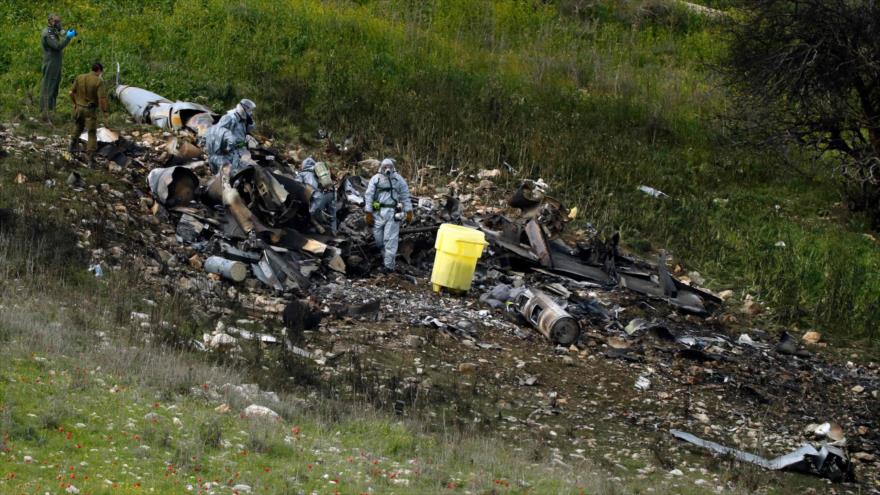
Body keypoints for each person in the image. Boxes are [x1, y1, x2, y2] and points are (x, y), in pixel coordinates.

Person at [364, 158, 413, 273]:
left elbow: (405, 196)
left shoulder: (398, 180)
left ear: (393, 168)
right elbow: (369, 196)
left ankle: (389, 267)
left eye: (389, 167)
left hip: (392, 213)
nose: (387, 169)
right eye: (385, 167)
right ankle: (385, 260)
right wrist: (368, 212)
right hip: (378, 213)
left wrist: (409, 211)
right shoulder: (375, 179)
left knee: (390, 240)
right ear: (381, 167)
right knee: (379, 240)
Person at [69, 61, 108, 164]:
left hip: (79, 108)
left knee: (78, 127)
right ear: (99, 70)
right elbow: (102, 98)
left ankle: (71, 146)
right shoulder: (98, 81)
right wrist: (104, 112)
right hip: (90, 110)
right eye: (101, 72)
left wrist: (75, 103)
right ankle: (90, 158)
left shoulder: (79, 77)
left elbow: (71, 92)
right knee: (91, 133)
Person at [204, 99, 256, 175]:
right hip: (229, 153)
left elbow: (248, 129)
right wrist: (224, 148)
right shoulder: (230, 117)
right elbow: (217, 133)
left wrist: (250, 122)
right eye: (249, 110)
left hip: (240, 151)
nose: (250, 113)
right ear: (243, 109)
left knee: (244, 172)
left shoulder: (242, 119)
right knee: (229, 175)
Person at [40, 13, 76, 118]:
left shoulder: (53, 30)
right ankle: (45, 111)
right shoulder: (48, 34)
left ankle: (52, 110)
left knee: (55, 87)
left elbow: (61, 33)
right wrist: (68, 38)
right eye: (55, 21)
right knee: (49, 87)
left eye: (58, 21)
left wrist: (66, 32)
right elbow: (57, 46)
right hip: (51, 63)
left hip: (56, 63)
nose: (57, 23)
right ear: (50, 21)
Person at [296, 157, 337, 234]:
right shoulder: (319, 171)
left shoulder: (303, 173)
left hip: (317, 196)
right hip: (330, 194)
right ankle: (334, 232)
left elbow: (296, 185)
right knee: (332, 215)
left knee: (311, 215)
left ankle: (312, 233)